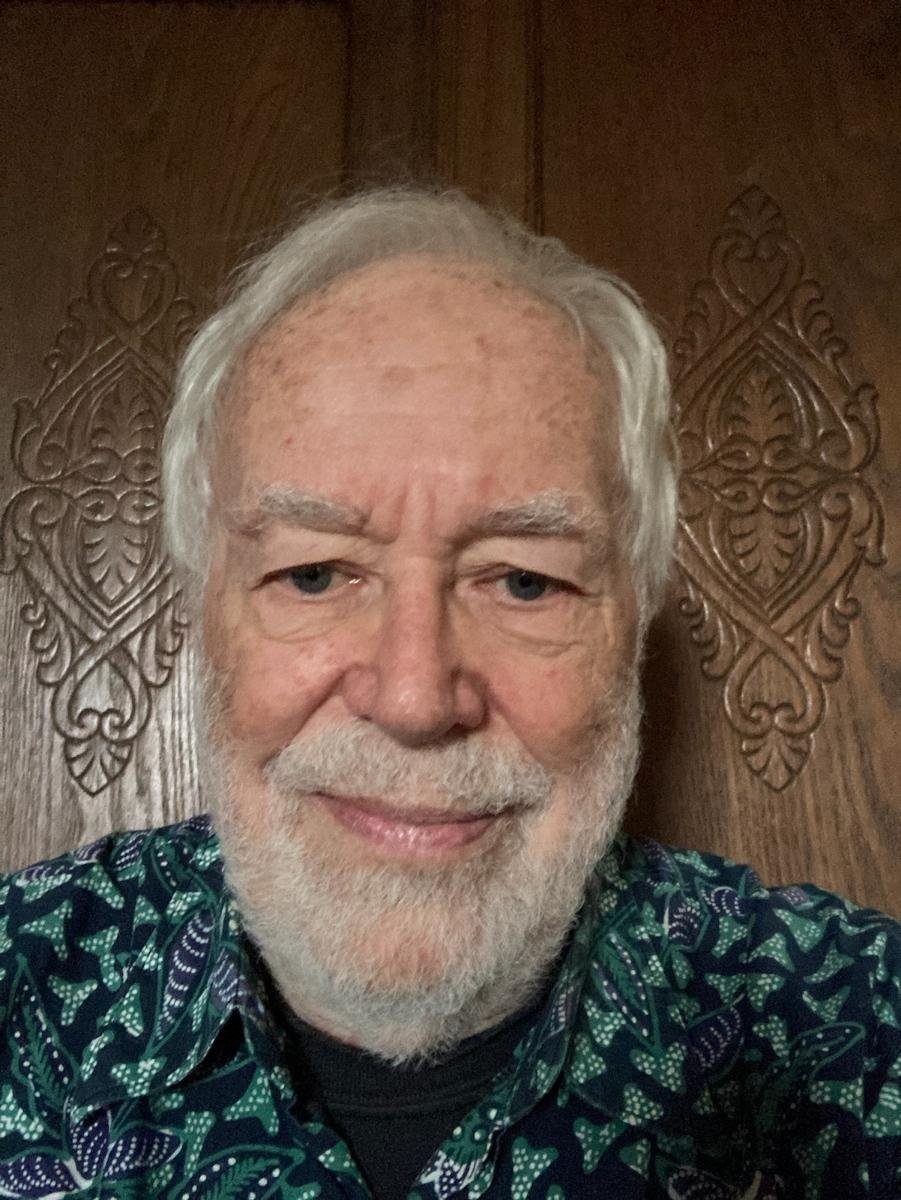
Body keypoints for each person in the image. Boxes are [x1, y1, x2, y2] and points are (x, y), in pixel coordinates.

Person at [0, 187, 898, 1200]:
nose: (417, 697)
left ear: (632, 621)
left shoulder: (850, 1028)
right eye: (314, 573)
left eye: (524, 580)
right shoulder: (19, 988)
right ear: (199, 607)